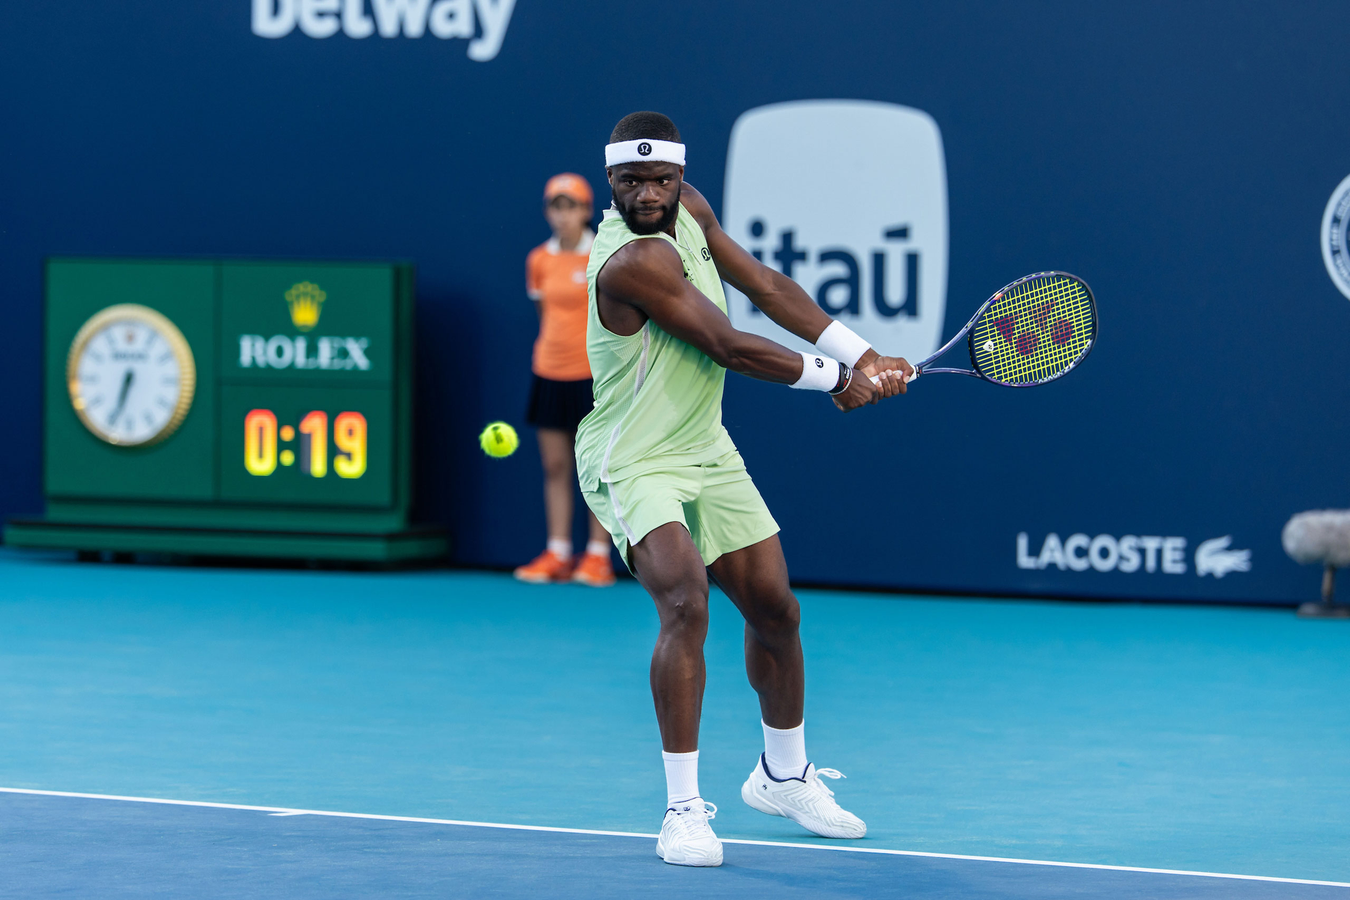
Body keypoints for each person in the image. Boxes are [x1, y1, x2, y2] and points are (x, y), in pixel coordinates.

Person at [576, 111, 913, 867]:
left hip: (706, 449)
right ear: (611, 183)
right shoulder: (630, 263)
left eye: (661, 179)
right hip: (635, 458)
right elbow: (727, 343)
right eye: (631, 182)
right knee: (686, 602)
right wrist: (839, 379)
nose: (649, 194)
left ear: (681, 177)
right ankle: (683, 811)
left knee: (775, 610)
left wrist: (863, 351)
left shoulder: (693, 211)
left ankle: (783, 774)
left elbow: (762, 283)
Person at [513, 173, 616, 588]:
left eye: (571, 206)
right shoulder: (538, 260)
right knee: (555, 466)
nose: (563, 215)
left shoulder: (603, 255)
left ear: (586, 211)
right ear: (548, 213)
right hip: (549, 372)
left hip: (594, 376)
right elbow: (546, 317)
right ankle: (557, 551)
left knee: (595, 468)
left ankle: (596, 556)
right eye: (556, 206)